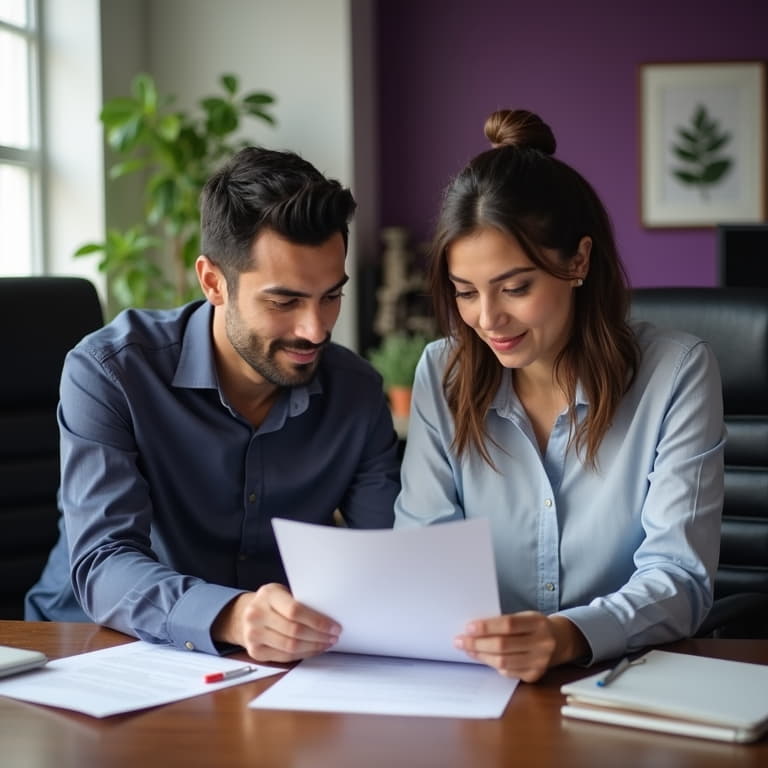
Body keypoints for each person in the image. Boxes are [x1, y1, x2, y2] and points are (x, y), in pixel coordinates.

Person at [26, 146, 401, 663]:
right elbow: (103, 562)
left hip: (258, 665)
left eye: (330, 296)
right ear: (212, 283)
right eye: (284, 301)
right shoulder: (112, 372)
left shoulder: (356, 393)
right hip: (87, 650)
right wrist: (232, 615)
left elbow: (383, 561)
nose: (315, 329)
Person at [394, 109, 724, 682]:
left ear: (578, 261)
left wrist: (568, 635)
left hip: (625, 683)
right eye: (465, 292)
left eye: (515, 288)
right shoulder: (441, 373)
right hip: (475, 684)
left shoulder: (676, 374)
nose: (488, 319)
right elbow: (424, 553)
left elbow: (679, 577)